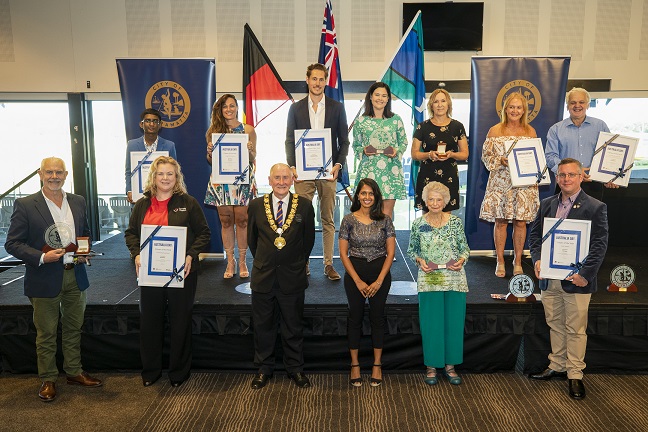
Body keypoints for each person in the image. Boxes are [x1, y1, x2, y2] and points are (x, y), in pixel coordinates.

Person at [5, 157, 102, 402]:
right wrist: (41, 257)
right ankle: (48, 378)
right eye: (49, 172)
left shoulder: (78, 201)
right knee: (46, 332)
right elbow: (12, 244)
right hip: (43, 276)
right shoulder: (26, 204)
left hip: (75, 275)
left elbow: (85, 234)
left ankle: (74, 372)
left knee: (73, 328)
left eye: (59, 172)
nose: (54, 176)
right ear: (40, 173)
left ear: (66, 174)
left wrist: (84, 252)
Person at [124, 156, 210, 388]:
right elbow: (131, 234)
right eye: (160, 174)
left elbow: (204, 233)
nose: (165, 178)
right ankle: (151, 371)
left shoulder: (188, 202)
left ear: (177, 177)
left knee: (180, 322)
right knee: (150, 323)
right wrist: (137, 254)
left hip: (181, 272)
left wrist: (191, 254)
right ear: (153, 177)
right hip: (150, 274)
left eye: (170, 174)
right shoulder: (142, 204)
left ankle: (178, 373)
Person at [528, 158, 609, 400]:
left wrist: (585, 275)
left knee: (575, 328)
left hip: (577, 280)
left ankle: (575, 374)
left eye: (572, 175)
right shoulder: (546, 204)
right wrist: (537, 260)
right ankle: (557, 365)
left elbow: (599, 245)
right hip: (550, 278)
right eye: (562, 175)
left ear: (581, 177)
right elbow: (535, 237)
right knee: (555, 322)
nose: (566, 179)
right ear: (556, 178)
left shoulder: (595, 207)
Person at [247, 163, 315, 389]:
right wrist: (268, 261)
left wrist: (293, 263)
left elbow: (308, 242)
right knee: (263, 326)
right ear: (269, 179)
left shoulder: (304, 206)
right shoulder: (256, 205)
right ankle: (263, 369)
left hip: (292, 277)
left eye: (286, 177)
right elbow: (252, 241)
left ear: (292, 179)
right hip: (263, 277)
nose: (282, 182)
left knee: (293, 326)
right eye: (277, 177)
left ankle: (295, 369)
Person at [284, 63, 350, 281]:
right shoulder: (295, 109)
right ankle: (302, 263)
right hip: (302, 174)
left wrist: (338, 165)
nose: (317, 83)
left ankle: (329, 264)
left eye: (322, 79)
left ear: (325, 82)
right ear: (307, 79)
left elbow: (344, 141)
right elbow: (290, 141)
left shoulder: (337, 107)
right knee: (301, 219)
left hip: (328, 173)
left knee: (328, 219)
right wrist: (293, 167)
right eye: (314, 79)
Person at [407, 182, 470, 386]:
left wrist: (461, 259)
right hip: (430, 279)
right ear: (425, 201)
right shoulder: (418, 224)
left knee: (453, 323)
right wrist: (419, 260)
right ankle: (432, 367)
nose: (435, 203)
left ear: (446, 201)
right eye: (431, 199)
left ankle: (451, 367)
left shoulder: (456, 222)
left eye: (439, 199)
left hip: (454, 279)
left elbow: (465, 249)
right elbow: (411, 250)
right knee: (431, 324)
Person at [339, 178, 395, 387]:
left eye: (371, 193)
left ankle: (377, 365)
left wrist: (379, 281)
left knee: (377, 317)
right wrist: (358, 281)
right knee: (354, 318)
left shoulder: (385, 220)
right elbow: (343, 254)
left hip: (380, 275)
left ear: (376, 196)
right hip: (355, 276)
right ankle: (354, 365)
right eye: (363, 193)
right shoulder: (348, 220)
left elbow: (390, 254)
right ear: (357, 195)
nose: (367, 197)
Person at [479, 93, 540, 277]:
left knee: (521, 222)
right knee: (501, 221)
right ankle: (500, 260)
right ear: (505, 109)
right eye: (511, 107)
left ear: (524, 110)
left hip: (524, 185)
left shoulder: (531, 131)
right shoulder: (494, 130)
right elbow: (486, 157)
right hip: (500, 183)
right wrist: (501, 160)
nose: (515, 111)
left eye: (518, 107)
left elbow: (537, 158)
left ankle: (518, 260)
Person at [204, 94, 257, 279]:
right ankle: (230, 261)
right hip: (221, 182)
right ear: (220, 110)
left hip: (242, 181)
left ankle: (242, 260)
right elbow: (211, 161)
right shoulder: (213, 131)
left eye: (232, 106)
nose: (229, 109)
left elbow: (252, 159)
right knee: (226, 221)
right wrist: (209, 153)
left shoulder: (248, 129)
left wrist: (250, 150)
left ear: (237, 108)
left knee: (242, 220)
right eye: (225, 106)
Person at [545, 87, 618, 199]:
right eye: (573, 102)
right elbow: (550, 157)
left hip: (593, 184)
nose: (577, 105)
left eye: (581, 102)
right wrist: (573, 171)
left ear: (588, 105)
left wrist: (610, 176)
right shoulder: (555, 129)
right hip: (566, 184)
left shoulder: (600, 126)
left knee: (592, 216)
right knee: (564, 216)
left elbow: (609, 154)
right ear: (567, 106)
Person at [352, 82, 408, 218]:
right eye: (377, 95)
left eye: (384, 95)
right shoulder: (360, 121)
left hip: (390, 171)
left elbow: (404, 142)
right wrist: (363, 150)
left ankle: (387, 239)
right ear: (370, 97)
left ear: (388, 99)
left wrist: (396, 150)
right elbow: (355, 145)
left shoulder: (396, 120)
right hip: (369, 171)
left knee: (386, 215)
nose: (380, 98)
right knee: (367, 213)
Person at [411, 89, 469, 213]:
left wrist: (452, 154)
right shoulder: (422, 126)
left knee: (446, 218)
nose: (440, 105)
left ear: (448, 104)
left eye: (443, 101)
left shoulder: (458, 126)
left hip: (449, 175)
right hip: (427, 175)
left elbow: (465, 154)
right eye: (436, 102)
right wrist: (428, 154)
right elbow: (414, 154)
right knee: (427, 218)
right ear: (431, 105)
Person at [125, 108, 177, 204]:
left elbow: (173, 172)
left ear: (160, 125)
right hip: (139, 198)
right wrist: (129, 191)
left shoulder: (169, 146)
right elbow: (129, 172)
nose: (151, 124)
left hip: (163, 197)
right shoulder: (131, 145)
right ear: (141, 124)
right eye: (148, 121)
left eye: (155, 121)